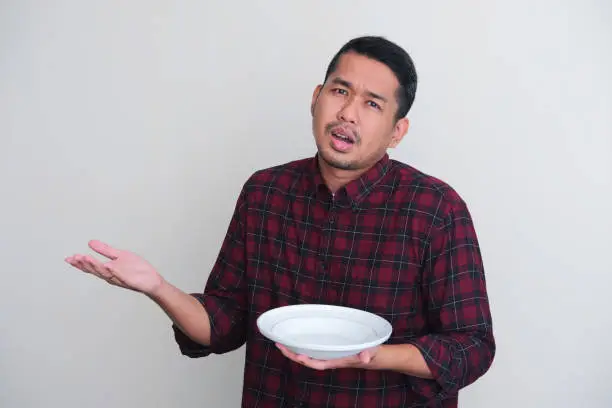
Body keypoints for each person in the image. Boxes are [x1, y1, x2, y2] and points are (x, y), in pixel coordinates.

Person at [66, 35, 495, 407]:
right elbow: (223, 324)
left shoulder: (436, 209)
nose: (348, 113)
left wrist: (372, 355)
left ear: (397, 131)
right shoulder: (265, 193)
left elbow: (471, 347)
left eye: (371, 104)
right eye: (339, 91)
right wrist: (157, 288)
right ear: (316, 97)